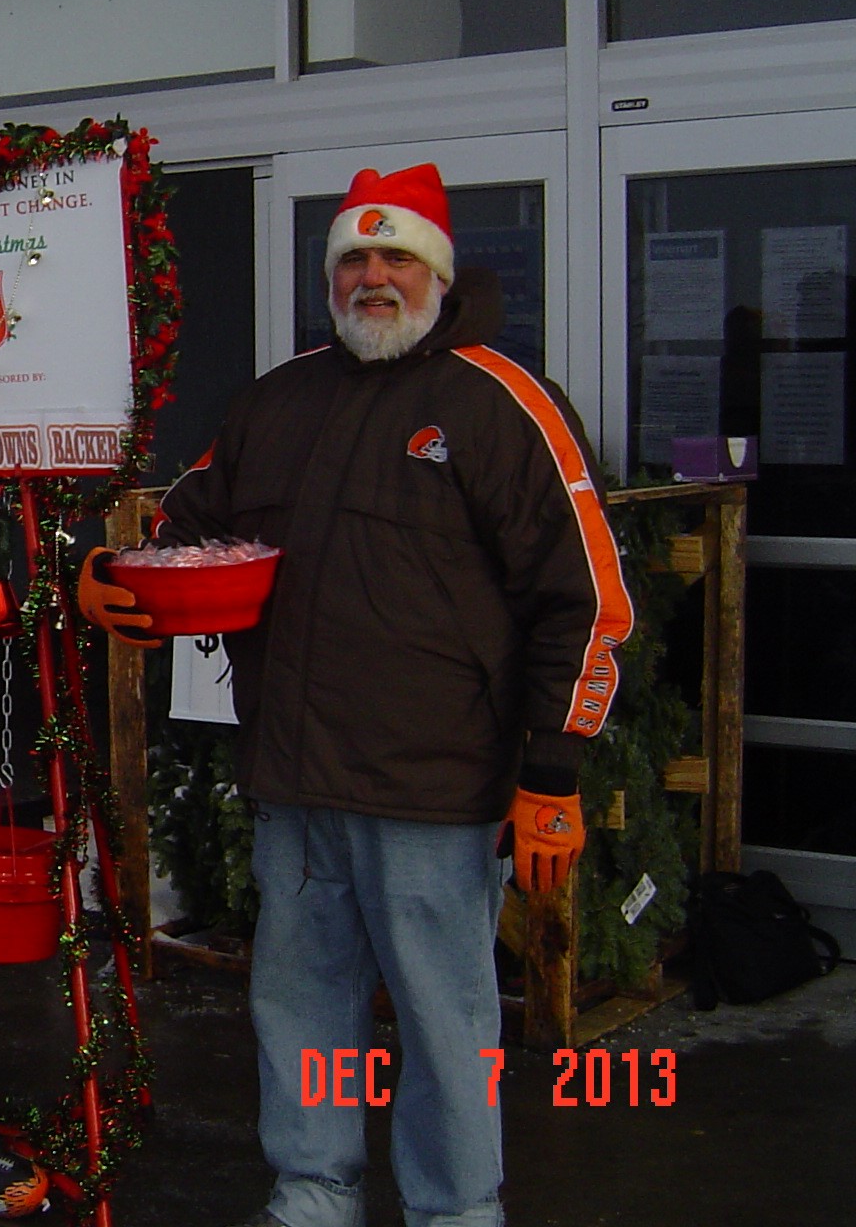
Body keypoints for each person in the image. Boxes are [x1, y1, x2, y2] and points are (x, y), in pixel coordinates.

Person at [78, 164, 633, 1227]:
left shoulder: (499, 402)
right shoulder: (277, 399)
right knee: (300, 1010)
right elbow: (187, 527)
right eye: (352, 259)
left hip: (433, 785)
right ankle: (311, 1194)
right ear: (330, 274)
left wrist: (551, 773)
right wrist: (111, 577)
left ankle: (455, 1210)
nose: (372, 277)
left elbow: (588, 600)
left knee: (442, 1020)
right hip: (293, 780)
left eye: (395, 258)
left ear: (436, 273)